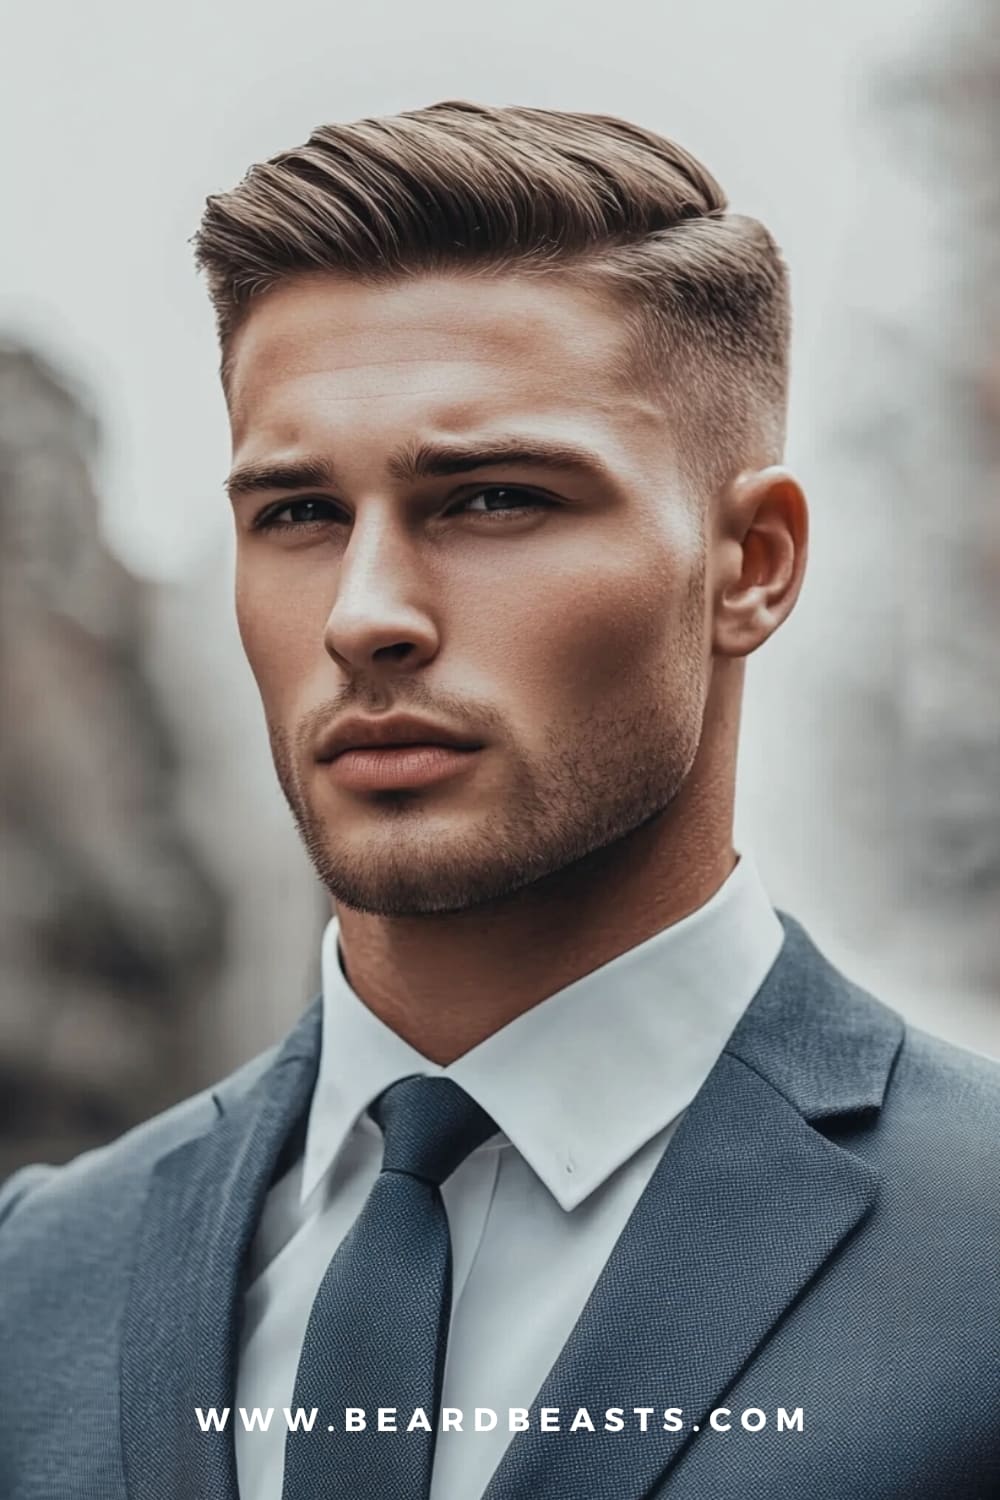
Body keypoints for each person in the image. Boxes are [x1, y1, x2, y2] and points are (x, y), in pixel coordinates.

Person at [0, 100, 997, 1500]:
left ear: (754, 563)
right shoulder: (32, 1285)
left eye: (492, 500)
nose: (365, 616)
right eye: (296, 513)